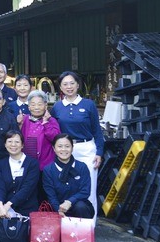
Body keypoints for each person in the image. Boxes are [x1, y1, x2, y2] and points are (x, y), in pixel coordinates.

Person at [50, 70, 104, 216]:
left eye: (72, 83)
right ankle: (70, 224)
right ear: (60, 88)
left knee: (89, 188)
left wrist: (99, 152)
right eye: (65, 84)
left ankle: (89, 226)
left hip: (86, 149)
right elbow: (53, 130)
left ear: (78, 85)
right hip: (65, 150)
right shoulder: (57, 107)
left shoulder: (89, 105)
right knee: (68, 186)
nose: (69, 87)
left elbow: (97, 131)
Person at [42, 134, 95, 219]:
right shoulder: (48, 170)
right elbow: (51, 196)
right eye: (60, 146)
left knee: (80, 206)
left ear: (72, 148)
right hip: (58, 209)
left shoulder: (82, 167)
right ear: (54, 149)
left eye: (67, 146)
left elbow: (85, 191)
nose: (63, 149)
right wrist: (58, 209)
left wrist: (70, 202)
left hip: (80, 209)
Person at [0, 130, 40, 219]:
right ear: (5, 144)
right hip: (5, 209)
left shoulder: (32, 163)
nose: (13, 145)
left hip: (27, 209)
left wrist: (7, 205)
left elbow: (27, 188)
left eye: (17, 142)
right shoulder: (1, 164)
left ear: (22, 145)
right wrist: (0, 206)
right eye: (10, 141)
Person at [21, 90, 61, 171]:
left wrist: (46, 123)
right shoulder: (24, 119)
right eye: (33, 104)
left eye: (40, 104)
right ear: (28, 106)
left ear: (45, 105)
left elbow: (56, 139)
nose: (36, 107)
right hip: (27, 164)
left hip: (45, 165)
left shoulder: (51, 120)